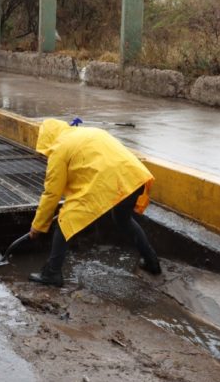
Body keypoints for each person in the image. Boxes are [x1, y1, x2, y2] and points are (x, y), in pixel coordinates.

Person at [28, 118, 162, 287]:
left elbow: (51, 194)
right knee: (123, 219)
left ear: (47, 139)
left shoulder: (59, 150)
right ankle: (152, 263)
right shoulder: (89, 132)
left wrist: (38, 225)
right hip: (133, 176)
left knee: (65, 220)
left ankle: (52, 273)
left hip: (108, 182)